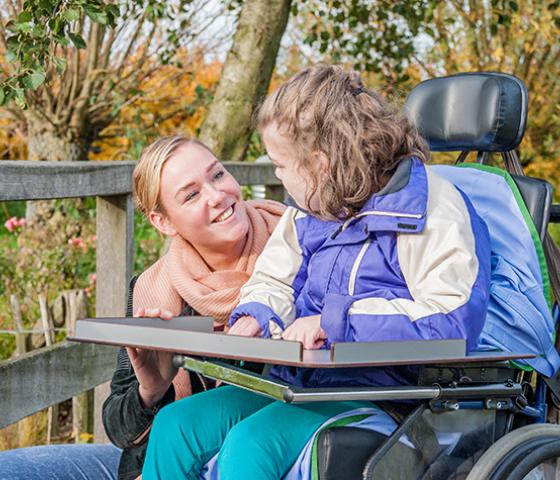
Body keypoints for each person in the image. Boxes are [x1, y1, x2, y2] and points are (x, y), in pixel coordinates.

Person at [142, 64, 492, 480]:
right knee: (176, 425)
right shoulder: (311, 210)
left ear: (319, 164)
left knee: (252, 445)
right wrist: (256, 314)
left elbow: (450, 322)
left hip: (390, 394)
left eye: (279, 166)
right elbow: (275, 279)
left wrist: (333, 322)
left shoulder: (433, 207)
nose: (278, 178)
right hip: (305, 384)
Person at [0, 135, 285, 480]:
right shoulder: (154, 289)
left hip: (261, 455)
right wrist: (151, 390)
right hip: (162, 460)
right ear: (163, 222)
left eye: (218, 175)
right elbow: (119, 429)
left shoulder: (297, 253)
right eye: (192, 195)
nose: (217, 195)